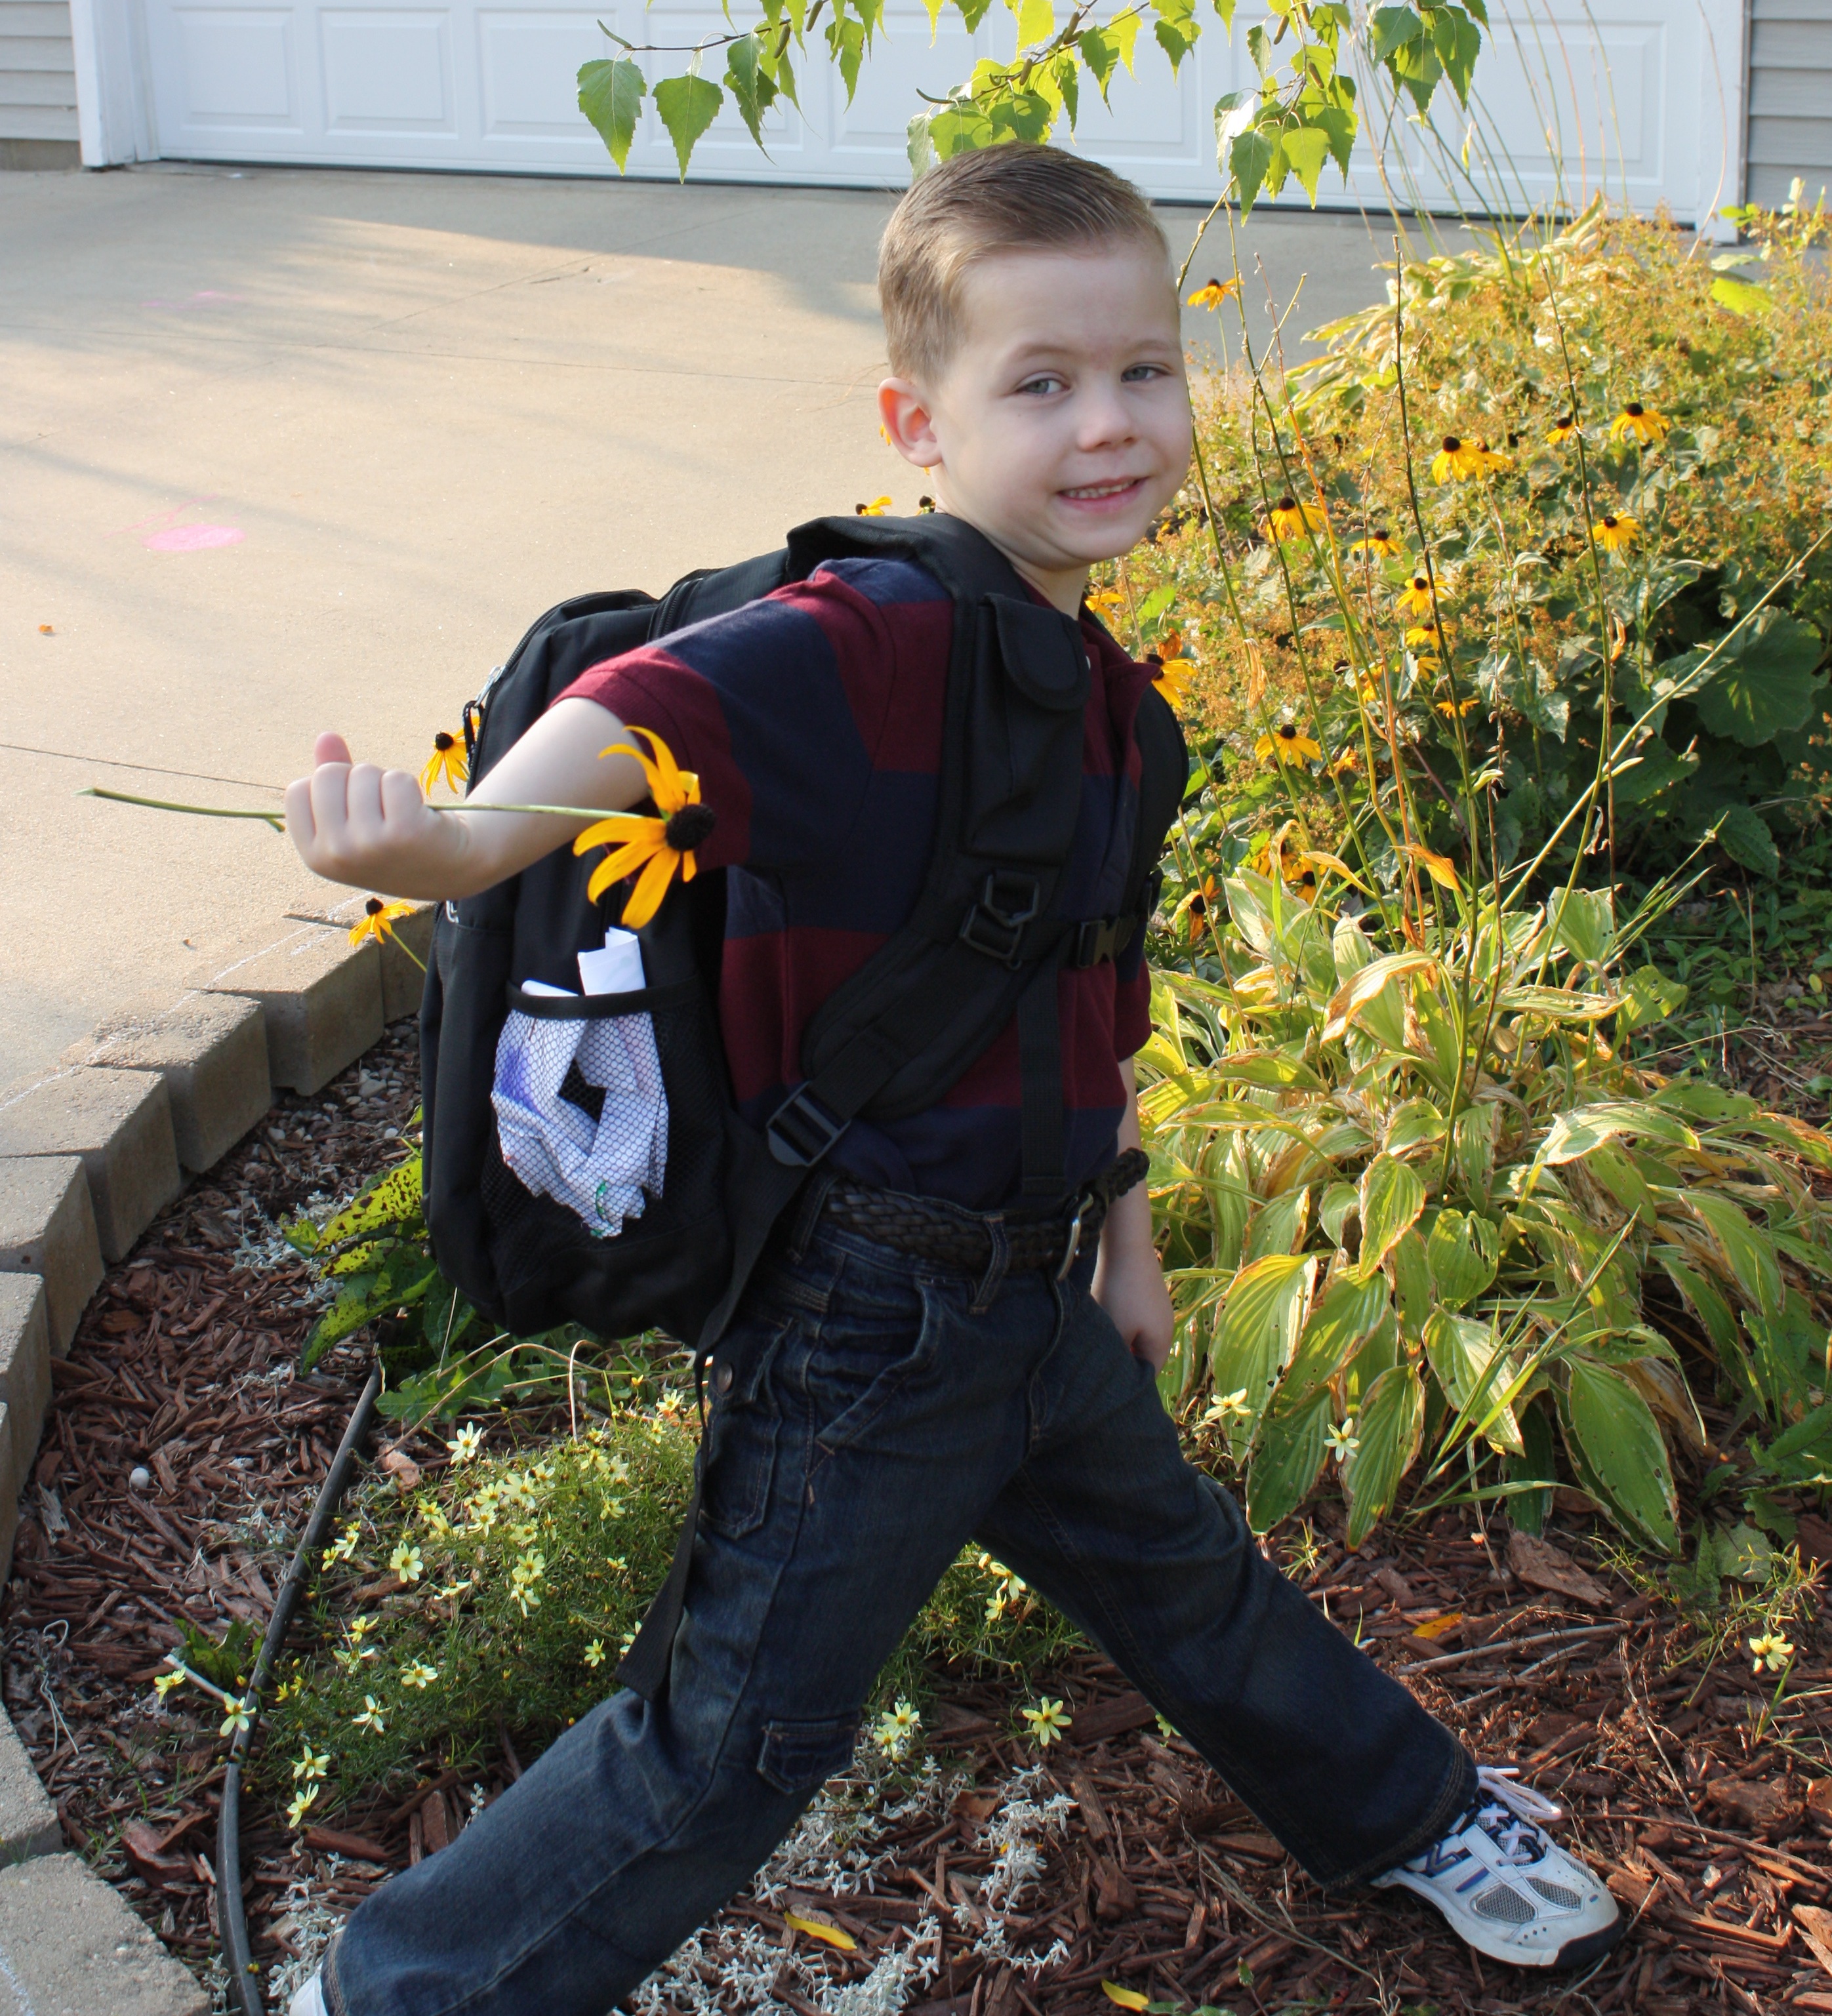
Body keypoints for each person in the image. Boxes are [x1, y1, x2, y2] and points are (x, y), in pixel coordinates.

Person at [280, 143, 1620, 2016]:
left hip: (1027, 1283)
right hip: (875, 1322)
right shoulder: (870, 642)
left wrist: (1123, 1238)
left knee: (1185, 1576)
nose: (1108, 423)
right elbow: (648, 711)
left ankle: (1411, 1814)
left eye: (1142, 369)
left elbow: (1087, 998)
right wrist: (445, 848)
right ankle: (403, 1989)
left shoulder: (1108, 700)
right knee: (734, 1736)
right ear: (918, 424)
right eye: (1039, 383)